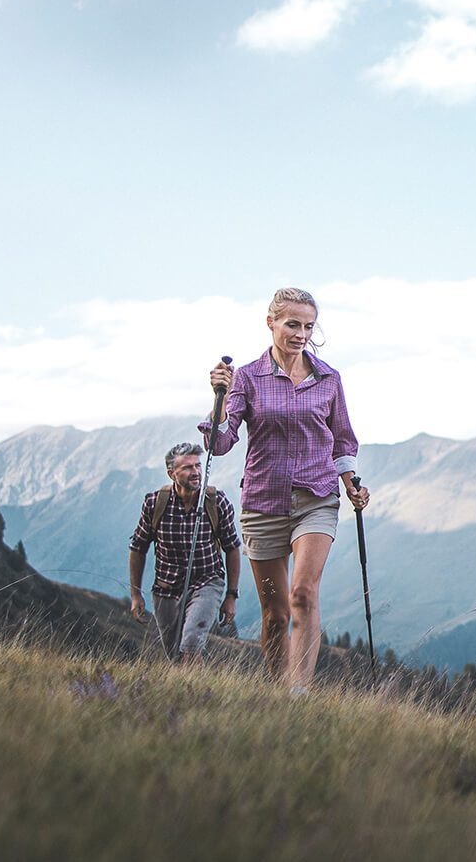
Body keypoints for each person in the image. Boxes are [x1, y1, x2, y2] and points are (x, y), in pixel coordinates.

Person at [204, 286, 371, 692]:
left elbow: (342, 440)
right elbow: (219, 443)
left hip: (317, 497)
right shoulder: (247, 377)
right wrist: (219, 401)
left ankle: (299, 694)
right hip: (263, 502)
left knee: (302, 594)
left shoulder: (328, 378)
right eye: (292, 324)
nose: (300, 333)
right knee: (275, 615)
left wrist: (352, 486)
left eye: (308, 326)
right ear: (271, 322)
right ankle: (279, 694)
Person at [128, 442, 242, 662]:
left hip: (207, 582)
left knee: (191, 642)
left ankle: (197, 692)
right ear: (172, 474)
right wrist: (135, 594)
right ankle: (193, 692)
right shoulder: (155, 503)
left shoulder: (215, 502)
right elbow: (138, 547)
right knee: (175, 657)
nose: (196, 472)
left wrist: (231, 594)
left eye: (198, 465)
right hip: (166, 589)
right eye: (188, 467)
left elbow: (232, 548)